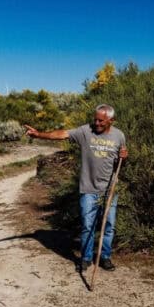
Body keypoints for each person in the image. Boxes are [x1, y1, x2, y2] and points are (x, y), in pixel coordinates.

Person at [24, 104, 128, 273]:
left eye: (101, 120)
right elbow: (62, 134)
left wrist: (124, 157)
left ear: (111, 120)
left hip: (110, 189)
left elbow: (120, 164)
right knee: (88, 225)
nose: (97, 123)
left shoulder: (119, 136)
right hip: (88, 189)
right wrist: (39, 134)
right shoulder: (85, 131)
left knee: (108, 226)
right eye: (95, 119)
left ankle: (105, 257)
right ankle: (86, 259)